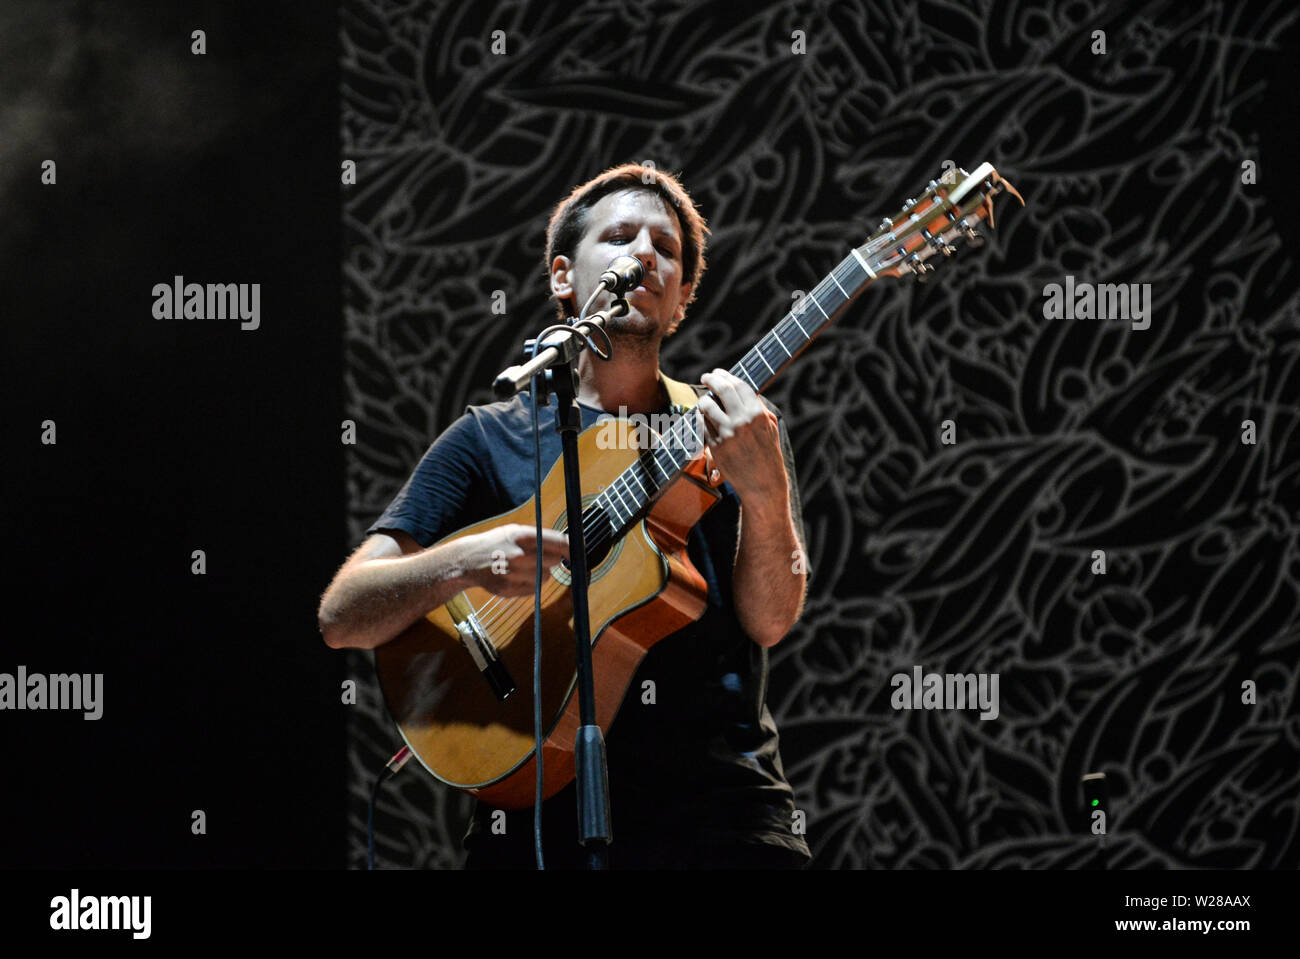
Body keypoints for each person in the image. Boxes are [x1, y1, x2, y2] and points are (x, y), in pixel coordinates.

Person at [318, 163, 811, 869]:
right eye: (618, 237)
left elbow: (769, 618)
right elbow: (344, 614)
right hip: (536, 835)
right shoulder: (487, 437)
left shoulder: (734, 429)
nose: (644, 254)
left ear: (681, 300)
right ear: (562, 278)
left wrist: (765, 498)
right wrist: (468, 559)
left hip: (725, 823)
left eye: (666, 249)